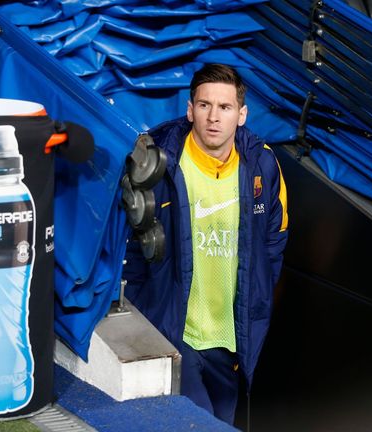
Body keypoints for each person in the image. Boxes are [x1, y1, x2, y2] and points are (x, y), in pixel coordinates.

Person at [123, 63, 289, 424]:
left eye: (225, 108)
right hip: (174, 332)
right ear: (189, 109)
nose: (214, 117)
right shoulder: (157, 161)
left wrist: (256, 301)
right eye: (204, 105)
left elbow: (274, 244)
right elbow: (130, 244)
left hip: (230, 339)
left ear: (241, 115)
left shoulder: (263, 166)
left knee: (223, 422)